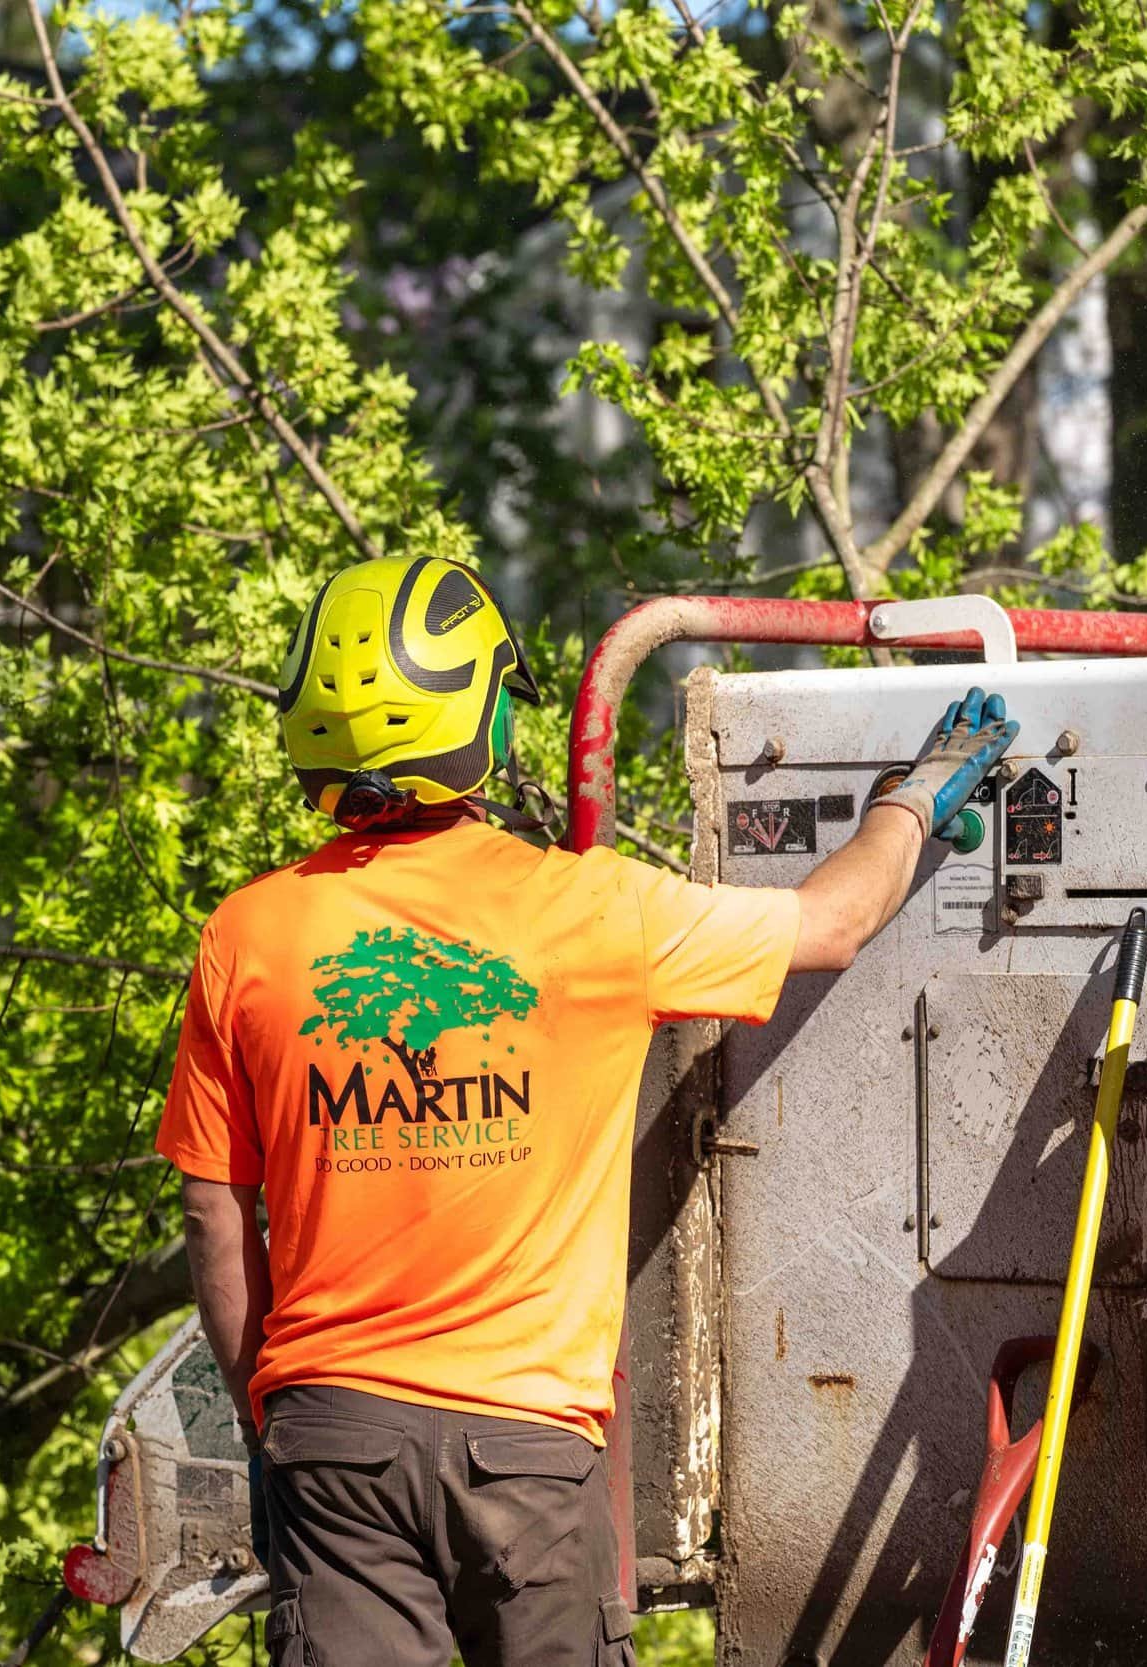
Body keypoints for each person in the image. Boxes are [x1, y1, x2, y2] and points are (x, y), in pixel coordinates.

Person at [156, 555, 1016, 1667]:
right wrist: (918, 792)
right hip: (526, 1453)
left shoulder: (250, 933)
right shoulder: (589, 910)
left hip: (334, 1442)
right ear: (478, 718)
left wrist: (274, 1426)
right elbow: (829, 924)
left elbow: (212, 1216)